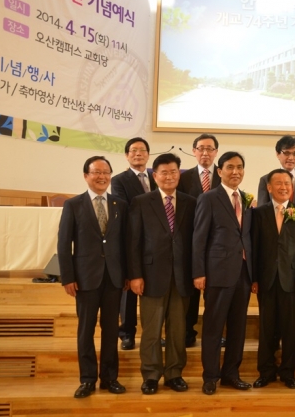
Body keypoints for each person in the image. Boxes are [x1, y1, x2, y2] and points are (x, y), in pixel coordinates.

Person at [57, 156, 127, 398]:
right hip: (85, 278)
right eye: (96, 172)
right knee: (86, 330)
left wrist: (127, 274)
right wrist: (67, 277)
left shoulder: (120, 204)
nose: (102, 177)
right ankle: (87, 379)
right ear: (86, 175)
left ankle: (109, 378)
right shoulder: (73, 205)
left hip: (114, 278)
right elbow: (64, 244)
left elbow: (126, 243)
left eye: (106, 172)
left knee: (111, 330)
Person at [127, 153, 196, 395]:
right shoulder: (141, 202)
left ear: (179, 174)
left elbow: (195, 242)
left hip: (182, 277)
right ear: (154, 176)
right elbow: (133, 242)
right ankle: (151, 375)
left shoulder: (190, 202)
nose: (169, 176)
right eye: (164, 172)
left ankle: (174, 373)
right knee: (151, 331)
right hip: (151, 276)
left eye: (173, 172)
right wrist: (135, 275)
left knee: (178, 330)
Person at [193, 151, 253, 396]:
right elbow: (199, 238)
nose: (235, 171)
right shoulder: (208, 198)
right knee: (213, 328)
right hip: (217, 273)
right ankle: (210, 377)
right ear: (219, 171)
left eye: (239, 167)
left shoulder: (246, 199)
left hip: (243, 273)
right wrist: (199, 272)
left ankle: (231, 374)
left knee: (238, 328)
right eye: (230, 167)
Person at [251, 169, 295, 389]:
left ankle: (288, 372)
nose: (283, 187)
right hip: (266, 279)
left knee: (290, 329)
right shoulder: (259, 213)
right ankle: (266, 371)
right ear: (269, 187)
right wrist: (254, 278)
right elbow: (254, 247)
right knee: (267, 328)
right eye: (278, 183)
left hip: (292, 280)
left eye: (287, 183)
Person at [256, 135, 295, 350]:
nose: (291, 157)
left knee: (294, 309)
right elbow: (262, 214)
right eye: (286, 153)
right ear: (278, 154)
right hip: (272, 253)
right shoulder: (266, 179)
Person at [110, 137, 156, 351]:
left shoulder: (157, 176)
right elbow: (125, 208)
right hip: (132, 239)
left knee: (154, 290)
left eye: (142, 150)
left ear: (148, 154)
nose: (138, 154)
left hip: (156, 242)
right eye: (134, 150)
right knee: (128, 290)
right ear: (127, 155)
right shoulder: (119, 180)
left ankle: (154, 334)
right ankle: (127, 333)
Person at [177, 133, 221, 348]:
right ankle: (188, 330)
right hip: (191, 241)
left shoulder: (224, 174)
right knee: (192, 290)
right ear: (194, 151)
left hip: (218, 243)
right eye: (201, 148)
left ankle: (215, 332)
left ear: (216, 152)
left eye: (210, 148)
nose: (205, 153)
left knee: (215, 291)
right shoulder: (183, 178)